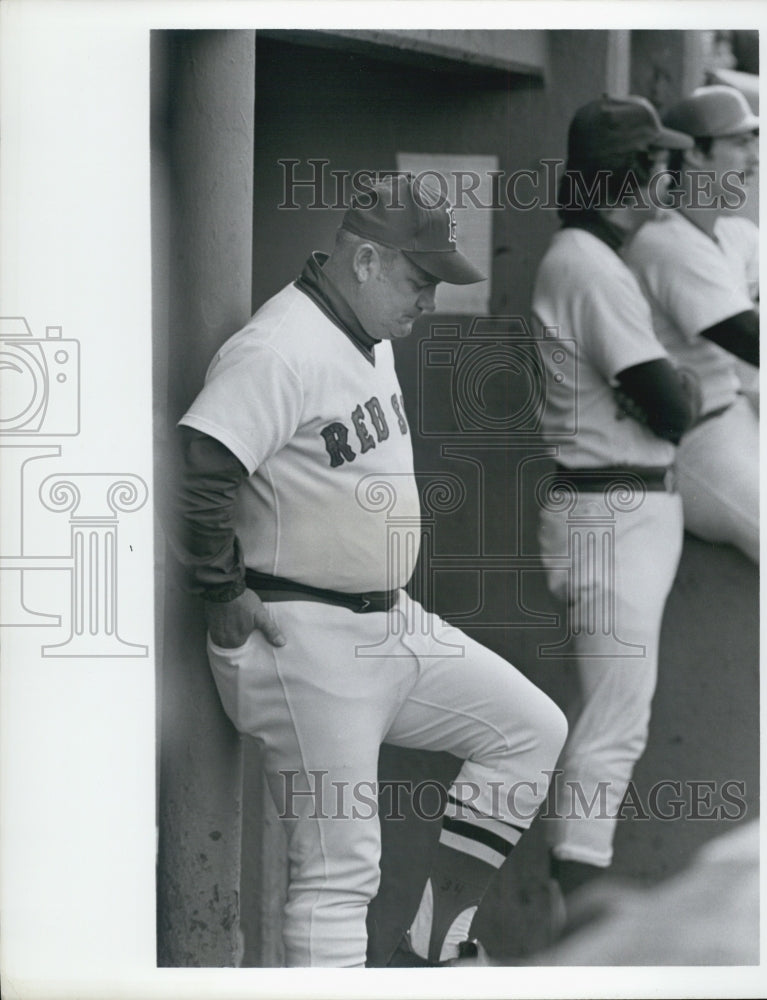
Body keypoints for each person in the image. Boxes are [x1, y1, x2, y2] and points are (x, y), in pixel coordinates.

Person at [172, 174, 567, 968]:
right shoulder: (279, 346)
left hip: (388, 622)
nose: (427, 298)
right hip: (301, 632)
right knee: (336, 875)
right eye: (418, 279)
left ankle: (435, 945)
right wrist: (223, 596)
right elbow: (199, 471)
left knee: (529, 730)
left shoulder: (365, 332)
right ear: (363, 261)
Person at [531, 97, 699, 898]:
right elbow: (668, 404)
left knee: (610, 725)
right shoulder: (585, 263)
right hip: (609, 508)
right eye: (657, 159)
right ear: (624, 172)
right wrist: (679, 390)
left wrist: (672, 391)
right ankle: (574, 925)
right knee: (610, 729)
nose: (671, 170)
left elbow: (662, 399)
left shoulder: (599, 257)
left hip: (623, 505)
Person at [622, 85, 760, 563]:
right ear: (697, 153)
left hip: (743, 420)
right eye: (741, 142)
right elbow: (754, 340)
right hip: (699, 446)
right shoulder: (664, 243)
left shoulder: (735, 233)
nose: (755, 158)